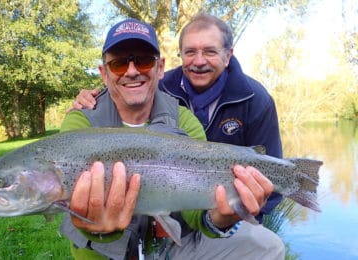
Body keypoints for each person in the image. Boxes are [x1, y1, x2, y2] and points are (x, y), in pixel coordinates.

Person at [61, 17, 284, 260]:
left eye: (144, 61)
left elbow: (195, 213)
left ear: (160, 68)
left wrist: (220, 218)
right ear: (104, 74)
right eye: (118, 64)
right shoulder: (81, 122)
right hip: (105, 255)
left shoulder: (185, 121)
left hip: (172, 246)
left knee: (267, 245)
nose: (133, 71)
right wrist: (100, 230)